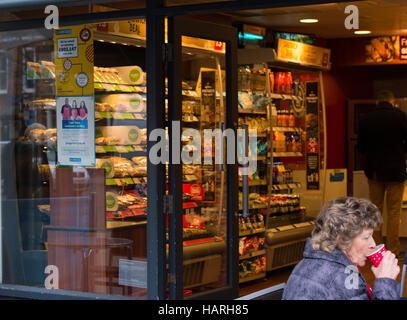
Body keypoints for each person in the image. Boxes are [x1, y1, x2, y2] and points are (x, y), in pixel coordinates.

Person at [282, 197, 400, 300]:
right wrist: (386, 281)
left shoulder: (311, 263)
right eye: (367, 237)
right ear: (342, 239)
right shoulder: (339, 277)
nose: (373, 244)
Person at [357, 90, 407, 257]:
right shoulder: (401, 117)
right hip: (396, 173)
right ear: (392, 102)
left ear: (377, 102)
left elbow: (361, 148)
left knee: (375, 211)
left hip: (375, 172)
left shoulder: (366, 119)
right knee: (394, 212)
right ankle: (392, 250)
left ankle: (376, 250)